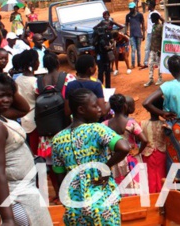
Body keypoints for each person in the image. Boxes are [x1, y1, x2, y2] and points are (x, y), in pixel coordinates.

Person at [0, 71, 52, 226]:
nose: (7, 100)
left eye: (9, 95)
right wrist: (8, 219)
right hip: (14, 196)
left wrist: (6, 83)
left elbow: (24, 109)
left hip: (20, 190)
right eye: (0, 96)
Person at [52, 88, 131, 225]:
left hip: (74, 208)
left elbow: (59, 176)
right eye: (95, 106)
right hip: (101, 204)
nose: (100, 109)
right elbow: (124, 147)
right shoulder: (96, 129)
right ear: (81, 110)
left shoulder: (57, 139)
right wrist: (105, 167)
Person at [143, 55, 180, 187]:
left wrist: (163, 113)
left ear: (170, 70)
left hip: (175, 130)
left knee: (177, 171)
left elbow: (146, 103)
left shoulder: (167, 86)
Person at [36, 52, 75, 202]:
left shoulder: (38, 82)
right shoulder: (68, 78)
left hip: (47, 129)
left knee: (52, 164)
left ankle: (59, 193)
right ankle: (70, 193)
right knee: (67, 161)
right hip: (65, 125)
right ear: (58, 64)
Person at [104, 94, 147, 192]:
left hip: (115, 158)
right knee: (137, 186)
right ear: (125, 106)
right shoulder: (131, 123)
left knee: (119, 186)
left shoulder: (105, 125)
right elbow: (144, 140)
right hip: (131, 157)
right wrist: (138, 151)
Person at [14, 50, 41, 155]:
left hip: (23, 120)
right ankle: (40, 170)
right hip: (34, 120)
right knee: (36, 151)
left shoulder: (17, 80)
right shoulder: (35, 82)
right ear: (34, 63)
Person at [141, 98, 167, 194]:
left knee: (150, 178)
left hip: (148, 155)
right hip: (162, 154)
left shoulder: (142, 124)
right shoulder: (165, 124)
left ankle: (152, 201)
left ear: (148, 109)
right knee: (162, 176)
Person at [142, 0, 163, 69]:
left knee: (154, 48)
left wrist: (160, 28)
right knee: (148, 48)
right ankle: (146, 63)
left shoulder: (156, 13)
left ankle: (155, 63)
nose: (147, 6)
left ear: (152, 6)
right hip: (149, 32)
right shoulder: (149, 13)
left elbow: (162, 20)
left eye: (149, 5)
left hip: (154, 33)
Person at [145, 13, 163, 87]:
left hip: (158, 49)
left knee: (159, 64)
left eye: (152, 18)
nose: (151, 20)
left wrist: (160, 50)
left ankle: (160, 78)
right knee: (151, 63)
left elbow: (162, 38)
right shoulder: (153, 26)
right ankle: (150, 79)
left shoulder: (161, 27)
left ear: (155, 18)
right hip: (153, 48)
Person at [93, 23, 114, 89]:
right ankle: (101, 87)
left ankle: (107, 87)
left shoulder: (108, 34)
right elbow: (95, 44)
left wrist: (110, 46)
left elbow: (113, 42)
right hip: (100, 55)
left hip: (106, 55)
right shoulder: (96, 37)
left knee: (106, 71)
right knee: (101, 71)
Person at [125, 2, 145, 69]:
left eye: (131, 8)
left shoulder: (140, 15)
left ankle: (139, 63)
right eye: (130, 8)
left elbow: (143, 24)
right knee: (133, 49)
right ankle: (133, 64)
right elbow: (126, 24)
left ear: (135, 8)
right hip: (132, 35)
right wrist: (126, 31)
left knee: (138, 49)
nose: (130, 9)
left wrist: (143, 34)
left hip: (139, 34)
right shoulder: (128, 16)